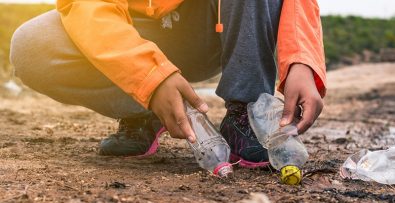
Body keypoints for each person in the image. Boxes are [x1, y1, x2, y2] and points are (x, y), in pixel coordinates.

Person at [10, 0, 326, 168]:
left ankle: (245, 110)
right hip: (136, 29)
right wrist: (149, 78)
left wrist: (301, 59)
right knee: (32, 46)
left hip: (213, 26)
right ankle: (144, 109)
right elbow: (88, 6)